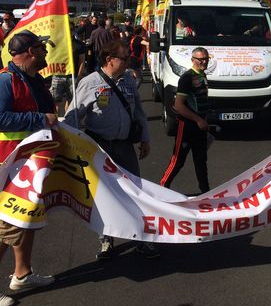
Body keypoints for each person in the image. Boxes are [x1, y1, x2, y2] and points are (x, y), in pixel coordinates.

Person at [64, 41, 157, 259]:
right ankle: (106, 239)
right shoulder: (89, 83)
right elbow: (72, 118)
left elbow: (140, 113)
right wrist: (71, 145)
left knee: (134, 192)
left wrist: (145, 139)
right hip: (100, 149)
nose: (128, 63)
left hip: (124, 145)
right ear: (109, 60)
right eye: (125, 59)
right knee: (103, 196)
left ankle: (141, 239)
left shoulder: (129, 81)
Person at [0, 30, 58, 304]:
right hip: (9, 165)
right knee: (6, 226)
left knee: (27, 220)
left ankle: (21, 274)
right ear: (32, 51)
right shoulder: (5, 80)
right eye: (42, 49)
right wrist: (40, 119)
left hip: (32, 165)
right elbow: (1, 118)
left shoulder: (35, 80)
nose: (47, 53)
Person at [160, 47, 211, 193]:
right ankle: (163, 187)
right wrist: (198, 120)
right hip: (187, 126)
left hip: (200, 127)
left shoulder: (202, 75)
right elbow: (178, 105)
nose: (204, 62)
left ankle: (206, 191)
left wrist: (205, 119)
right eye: (200, 59)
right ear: (193, 60)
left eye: (206, 59)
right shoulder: (187, 78)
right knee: (178, 160)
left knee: (201, 160)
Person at [50, 27, 86, 114]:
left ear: (73, 31)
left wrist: (79, 77)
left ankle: (68, 121)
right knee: (55, 100)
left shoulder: (79, 45)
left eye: (71, 29)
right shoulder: (58, 43)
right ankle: (56, 122)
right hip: (58, 75)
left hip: (72, 77)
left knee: (71, 101)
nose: (69, 31)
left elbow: (82, 62)